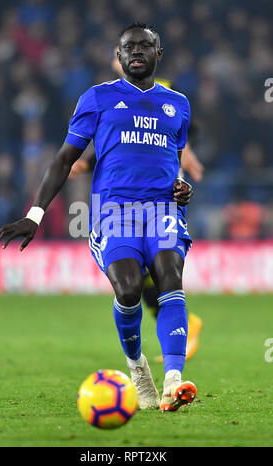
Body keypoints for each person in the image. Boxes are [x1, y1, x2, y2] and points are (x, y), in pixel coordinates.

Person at [0, 23, 197, 412]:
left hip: (162, 210)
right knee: (129, 290)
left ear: (159, 53)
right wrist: (34, 216)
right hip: (113, 212)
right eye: (128, 47)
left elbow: (173, 162)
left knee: (170, 274)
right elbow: (63, 159)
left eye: (145, 45)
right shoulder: (98, 98)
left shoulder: (179, 104)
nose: (136, 51)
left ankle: (173, 379)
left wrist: (183, 187)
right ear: (118, 58)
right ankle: (137, 366)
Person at [70, 46, 203, 362]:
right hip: (131, 197)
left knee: (152, 271)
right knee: (138, 277)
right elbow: (120, 135)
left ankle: (180, 330)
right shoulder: (112, 96)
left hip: (160, 191)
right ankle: (169, 329)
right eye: (121, 54)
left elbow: (170, 130)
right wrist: (86, 163)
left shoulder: (166, 91)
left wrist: (187, 154)